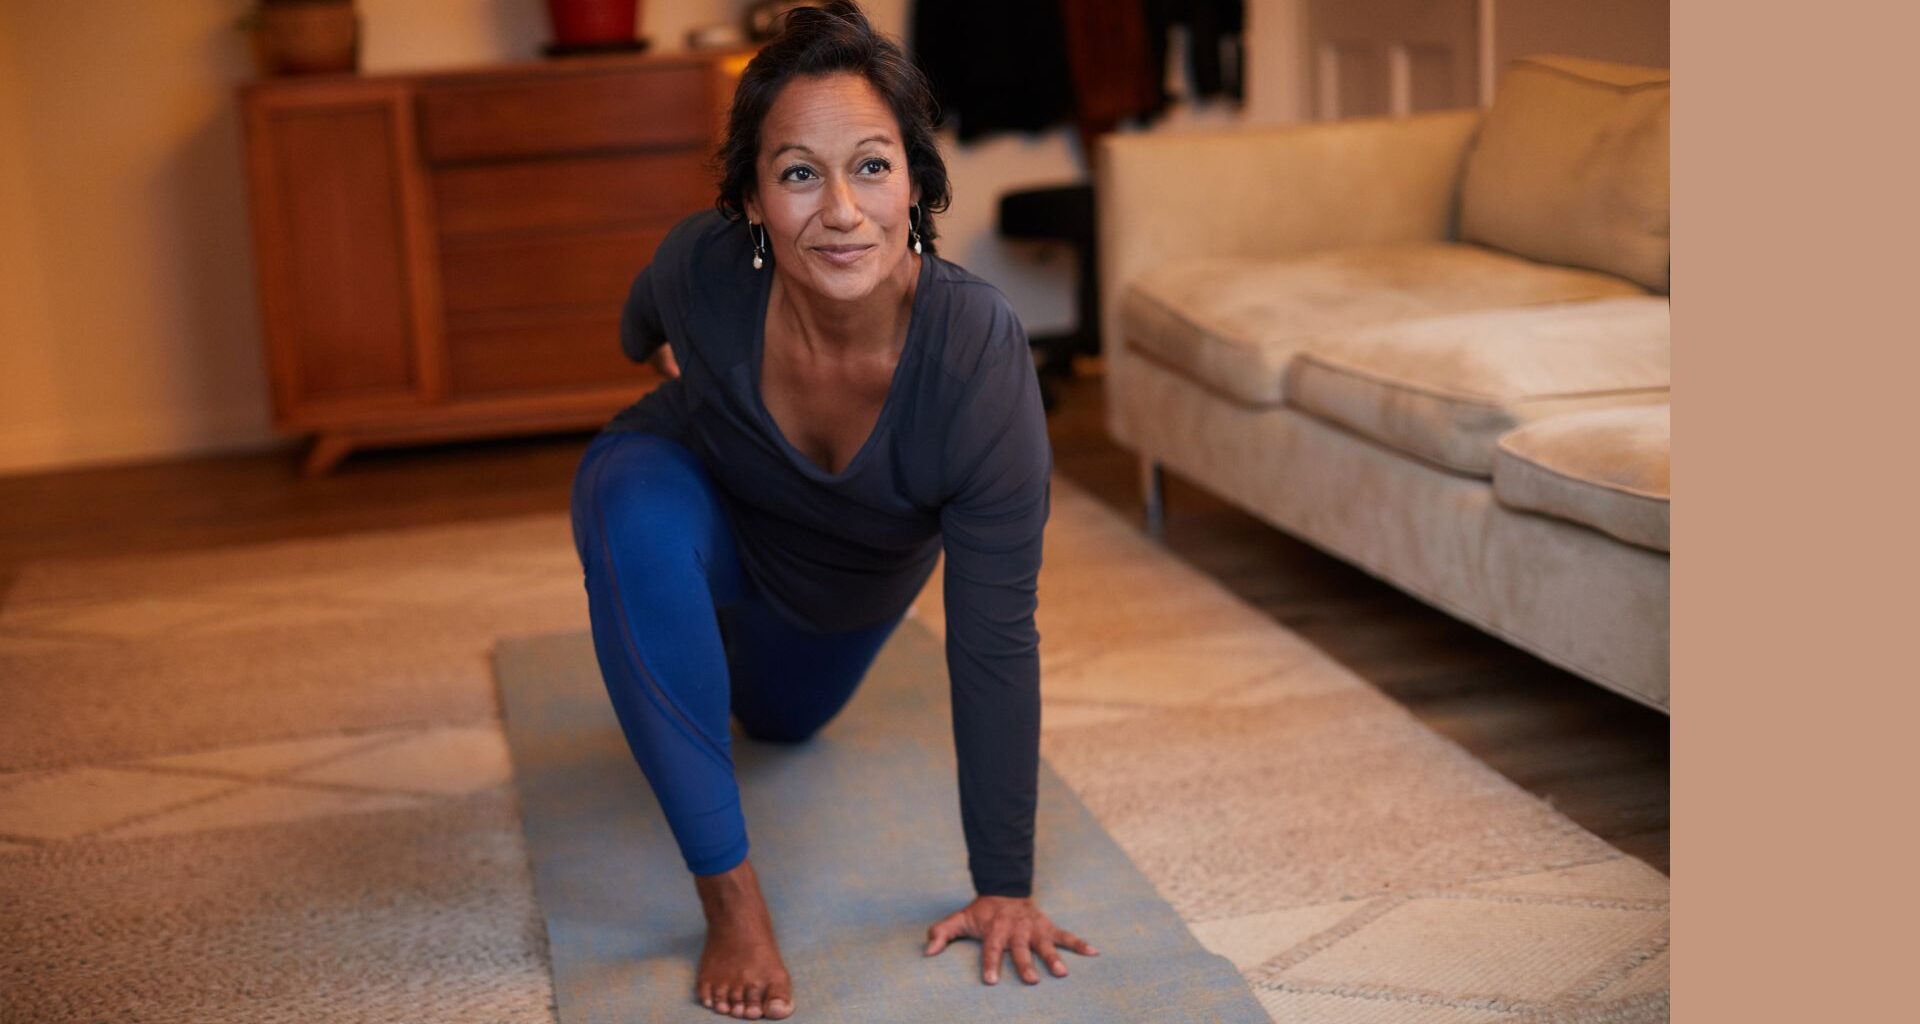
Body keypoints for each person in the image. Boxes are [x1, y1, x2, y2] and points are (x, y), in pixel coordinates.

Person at [567, 3, 1096, 1018]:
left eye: (871, 166)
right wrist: (667, 357)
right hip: (696, 519)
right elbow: (644, 314)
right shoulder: (704, 265)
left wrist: (1006, 884)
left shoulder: (976, 357)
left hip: (826, 614)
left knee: (781, 722)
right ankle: (731, 897)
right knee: (625, 492)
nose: (841, 210)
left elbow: (992, 638)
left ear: (916, 184)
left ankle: (690, 671)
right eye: (800, 172)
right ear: (754, 199)